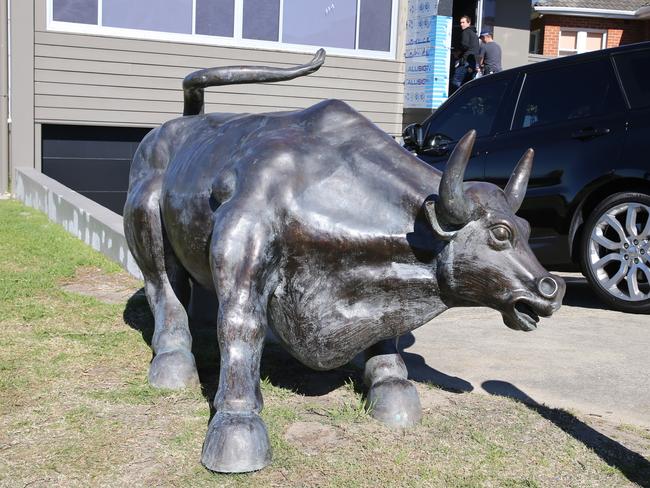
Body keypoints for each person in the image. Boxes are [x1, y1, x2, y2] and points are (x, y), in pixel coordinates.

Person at [451, 15, 480, 93]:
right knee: (467, 86)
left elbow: (465, 46)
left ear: (469, 23)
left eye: (463, 22)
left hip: (466, 62)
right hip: (473, 64)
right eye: (460, 22)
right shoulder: (475, 34)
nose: (461, 24)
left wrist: (457, 53)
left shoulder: (466, 31)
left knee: (455, 83)